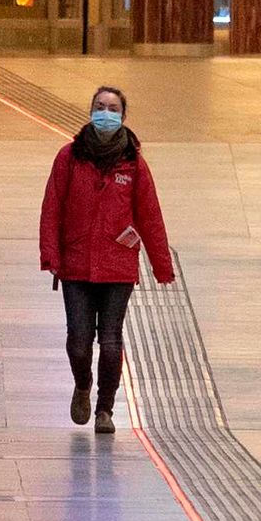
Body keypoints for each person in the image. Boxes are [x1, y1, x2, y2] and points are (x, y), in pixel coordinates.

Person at [38, 83, 175, 433]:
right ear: (90, 111)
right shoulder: (68, 158)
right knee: (79, 341)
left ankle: (105, 410)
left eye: (113, 109)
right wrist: (50, 254)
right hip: (76, 264)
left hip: (117, 264)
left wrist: (162, 267)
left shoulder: (134, 164)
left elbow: (150, 216)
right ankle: (82, 385)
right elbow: (52, 207)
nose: (106, 113)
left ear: (123, 116)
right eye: (100, 106)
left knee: (111, 339)